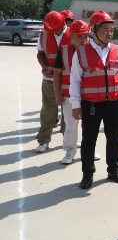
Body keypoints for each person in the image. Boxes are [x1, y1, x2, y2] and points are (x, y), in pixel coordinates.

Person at [70, 11, 118, 189]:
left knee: (114, 138)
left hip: (114, 103)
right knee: (89, 140)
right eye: (105, 30)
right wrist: (75, 105)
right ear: (94, 30)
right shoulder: (81, 53)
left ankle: (113, 170)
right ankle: (88, 173)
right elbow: (75, 80)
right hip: (91, 105)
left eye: (111, 29)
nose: (109, 33)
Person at [52, 20, 90, 164]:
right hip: (69, 96)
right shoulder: (63, 51)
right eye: (79, 36)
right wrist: (58, 95)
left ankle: (89, 149)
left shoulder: (92, 50)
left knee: (89, 125)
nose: (83, 40)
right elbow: (57, 75)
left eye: (85, 36)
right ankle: (70, 151)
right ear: (72, 36)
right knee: (71, 125)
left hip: (89, 96)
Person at [35, 11, 71, 152]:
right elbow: (40, 54)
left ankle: (69, 139)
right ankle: (43, 141)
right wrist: (44, 66)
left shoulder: (73, 34)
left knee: (68, 112)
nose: (53, 32)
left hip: (68, 80)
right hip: (49, 79)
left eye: (55, 29)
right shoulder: (44, 34)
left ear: (63, 24)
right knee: (48, 111)